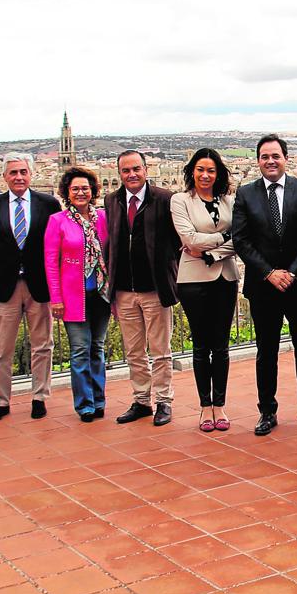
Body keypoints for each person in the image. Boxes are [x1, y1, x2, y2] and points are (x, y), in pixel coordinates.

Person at [232, 134, 297, 436]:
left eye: (275, 156)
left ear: (285, 158)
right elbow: (242, 240)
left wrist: (290, 271)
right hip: (264, 286)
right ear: (258, 161)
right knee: (266, 351)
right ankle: (267, 411)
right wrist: (269, 273)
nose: (270, 161)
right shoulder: (246, 193)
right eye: (264, 157)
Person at [0, 153, 62, 423]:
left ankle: (40, 397)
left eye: (23, 172)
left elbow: (55, 242)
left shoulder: (48, 204)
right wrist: (9, 264)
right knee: (2, 349)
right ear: (4, 176)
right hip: (7, 284)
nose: (18, 177)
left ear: (31, 174)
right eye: (13, 172)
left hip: (39, 284)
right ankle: (0, 401)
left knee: (42, 345)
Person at [104, 150, 181, 427]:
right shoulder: (112, 201)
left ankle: (163, 401)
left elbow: (178, 240)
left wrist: (169, 272)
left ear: (146, 169)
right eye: (126, 170)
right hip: (124, 289)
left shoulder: (164, 199)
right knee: (134, 351)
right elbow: (111, 240)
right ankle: (141, 400)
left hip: (155, 288)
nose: (132, 174)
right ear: (119, 174)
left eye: (136, 169)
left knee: (161, 350)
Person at [171, 149, 238, 432]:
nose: (205, 175)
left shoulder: (230, 201)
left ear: (218, 174)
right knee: (201, 346)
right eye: (200, 169)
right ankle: (204, 407)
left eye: (211, 170)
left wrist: (212, 253)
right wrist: (224, 237)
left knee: (220, 346)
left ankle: (219, 405)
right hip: (193, 280)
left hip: (225, 277)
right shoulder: (180, 201)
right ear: (192, 172)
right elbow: (188, 238)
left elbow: (241, 238)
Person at [45, 167, 111, 422]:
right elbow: (51, 262)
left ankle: (99, 399)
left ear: (93, 191)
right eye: (75, 189)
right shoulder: (57, 221)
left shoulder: (103, 218)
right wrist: (56, 298)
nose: (81, 192)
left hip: (101, 295)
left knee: (97, 348)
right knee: (80, 350)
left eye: (85, 188)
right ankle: (85, 404)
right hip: (73, 296)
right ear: (67, 193)